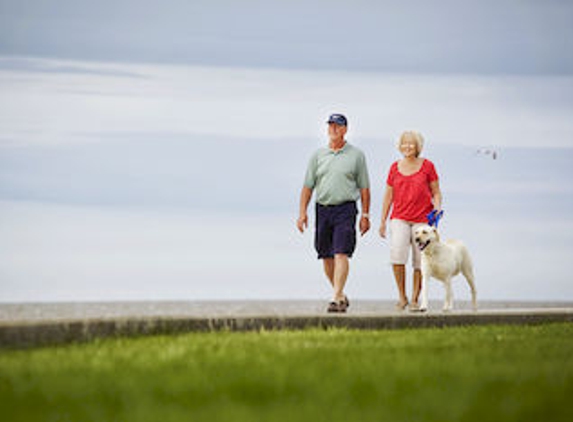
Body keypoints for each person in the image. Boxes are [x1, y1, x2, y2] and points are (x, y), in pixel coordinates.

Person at [297, 113, 371, 313]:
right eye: (330, 126)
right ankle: (340, 293)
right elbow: (307, 186)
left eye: (337, 126)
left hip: (345, 209)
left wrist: (365, 215)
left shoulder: (356, 155)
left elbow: (364, 187)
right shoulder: (318, 155)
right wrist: (302, 212)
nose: (333, 129)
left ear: (345, 129)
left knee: (341, 252)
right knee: (326, 255)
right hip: (323, 209)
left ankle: (336, 297)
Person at [379, 131, 442, 311]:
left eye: (411, 144)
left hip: (422, 219)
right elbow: (388, 196)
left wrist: (437, 208)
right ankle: (402, 296)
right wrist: (382, 221)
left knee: (418, 260)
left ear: (418, 146)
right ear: (400, 146)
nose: (407, 147)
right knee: (397, 255)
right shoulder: (394, 167)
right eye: (404, 143)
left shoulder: (428, 166)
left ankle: (415, 298)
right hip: (399, 217)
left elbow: (436, 191)